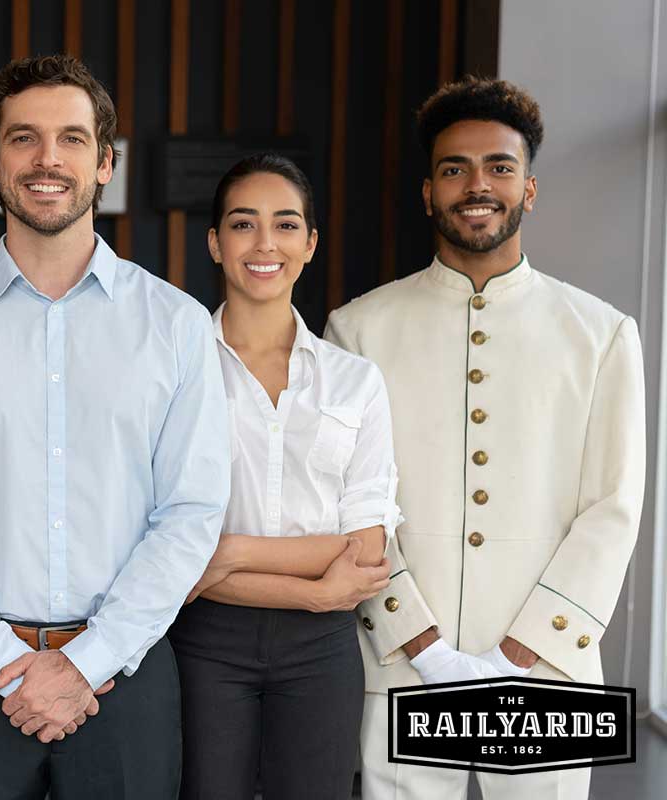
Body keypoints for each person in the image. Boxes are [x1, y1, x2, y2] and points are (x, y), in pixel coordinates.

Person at [0, 54, 230, 799]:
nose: (47, 159)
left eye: (71, 138)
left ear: (105, 162)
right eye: (23, 139)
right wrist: (5, 661)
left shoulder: (177, 327)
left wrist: (86, 663)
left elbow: (190, 515)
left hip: (125, 677)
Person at [325, 77, 645, 800]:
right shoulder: (357, 329)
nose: (478, 185)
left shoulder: (601, 335)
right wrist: (423, 646)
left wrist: (519, 653)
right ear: (428, 192)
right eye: (453, 168)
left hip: (551, 672)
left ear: (528, 189)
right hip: (403, 667)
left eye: (500, 167)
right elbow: (350, 503)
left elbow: (613, 509)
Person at [171, 153, 397, 799]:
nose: (265, 243)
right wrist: (313, 589)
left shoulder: (355, 380)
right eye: (244, 224)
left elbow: (366, 549)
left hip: (321, 653)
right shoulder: (177, 375)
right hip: (203, 644)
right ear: (215, 243)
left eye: (286, 224)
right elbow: (170, 556)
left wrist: (227, 553)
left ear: (310, 243)